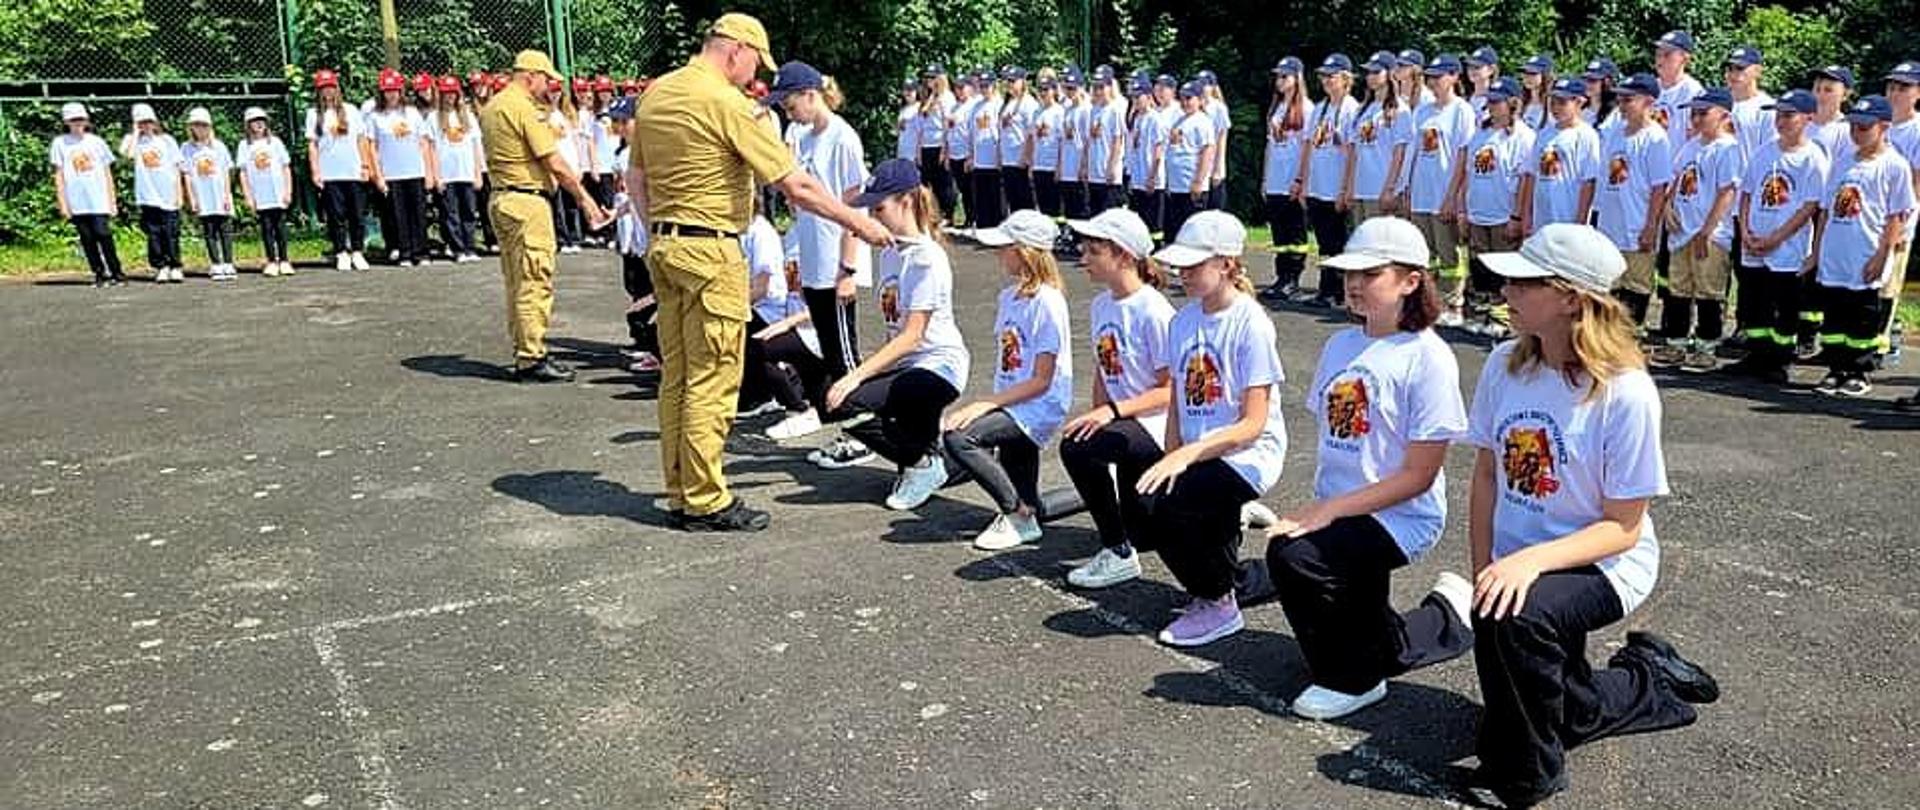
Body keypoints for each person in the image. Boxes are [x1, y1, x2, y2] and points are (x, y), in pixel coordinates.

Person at [1467, 222, 1718, 809]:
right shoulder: (1505, 363)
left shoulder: (1624, 391)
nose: (1506, 293)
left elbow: (1623, 527)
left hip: (1606, 561)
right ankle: (1649, 677)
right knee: (1564, 704)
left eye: (1525, 284)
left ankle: (1529, 777)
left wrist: (1524, 565)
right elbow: (1484, 474)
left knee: (1518, 621)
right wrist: (1486, 566)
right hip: (1527, 559)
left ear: (1571, 299)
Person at [627, 14, 889, 531]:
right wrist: (858, 220)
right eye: (755, 65)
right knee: (711, 377)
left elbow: (636, 178)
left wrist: (659, 231)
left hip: (666, 247)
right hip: (710, 253)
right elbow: (798, 187)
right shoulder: (725, 103)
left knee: (677, 378)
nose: (754, 78)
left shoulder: (657, 95)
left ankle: (682, 489)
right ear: (736, 50)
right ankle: (705, 500)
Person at [1264, 216, 1473, 720]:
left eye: (1370, 274)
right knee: (1373, 632)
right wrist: (1328, 507)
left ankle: (1355, 679)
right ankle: (1445, 620)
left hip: (1399, 514)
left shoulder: (1428, 358)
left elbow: (1419, 476)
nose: (1354, 284)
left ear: (1411, 280)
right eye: (1349, 273)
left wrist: (1330, 511)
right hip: (1344, 507)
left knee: (1297, 558)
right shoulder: (1341, 345)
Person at [1138, 211, 1288, 647]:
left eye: (1194, 265)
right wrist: (1172, 454)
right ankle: (1235, 578)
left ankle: (1219, 601)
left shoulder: (1251, 323)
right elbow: (1178, 402)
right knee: (1153, 500)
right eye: (1180, 265)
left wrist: (1186, 458)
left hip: (1247, 452)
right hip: (1203, 450)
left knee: (1169, 506)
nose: (1182, 273)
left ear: (1226, 264)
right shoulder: (1183, 321)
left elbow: (1253, 423)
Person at [816, 159, 970, 507]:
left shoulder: (925, 259)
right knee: (841, 402)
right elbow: (894, 331)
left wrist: (855, 377)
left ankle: (921, 463)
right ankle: (929, 457)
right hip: (909, 364)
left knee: (847, 399)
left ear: (907, 201)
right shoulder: (891, 253)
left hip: (937, 366)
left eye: (879, 207)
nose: (873, 216)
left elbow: (913, 335)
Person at [942, 210, 1073, 549]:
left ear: (1025, 251)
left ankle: (1017, 513)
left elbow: (1043, 380)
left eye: (1005, 247)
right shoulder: (1008, 298)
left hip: (1037, 403)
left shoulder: (1048, 302)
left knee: (960, 438)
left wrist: (987, 403)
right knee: (1030, 493)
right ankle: (1030, 507)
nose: (998, 253)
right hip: (1015, 399)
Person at [1060, 208, 1174, 588]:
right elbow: (1105, 370)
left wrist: (1111, 413)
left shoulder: (1153, 310)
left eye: (1094, 250)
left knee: (1079, 449)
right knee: (1080, 442)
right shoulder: (1101, 306)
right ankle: (1124, 541)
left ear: (1124, 256)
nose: (1083, 258)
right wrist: (1097, 414)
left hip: (1156, 427)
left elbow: (1169, 391)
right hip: (1126, 423)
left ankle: (1119, 551)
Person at [480, 49, 609, 384]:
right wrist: (586, 201)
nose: (548, 86)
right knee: (534, 281)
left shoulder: (493, 106)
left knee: (516, 281)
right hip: (527, 203)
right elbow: (554, 161)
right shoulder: (523, 109)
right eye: (546, 78)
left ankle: (525, 347)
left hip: (501, 199)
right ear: (530, 75)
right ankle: (532, 358)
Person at [769, 61, 872, 429]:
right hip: (814, 262)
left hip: (835, 264)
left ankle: (862, 428)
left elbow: (854, 207)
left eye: (790, 103)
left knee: (846, 356)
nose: (786, 110)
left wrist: (849, 270)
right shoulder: (804, 136)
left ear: (811, 95)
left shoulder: (842, 138)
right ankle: (844, 422)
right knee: (830, 352)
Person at [1812, 95, 1914, 398]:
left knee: (1862, 316)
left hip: (1866, 251)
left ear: (1883, 127)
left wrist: (1882, 255)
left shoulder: (1894, 165)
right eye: (1853, 126)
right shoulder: (1843, 161)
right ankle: (1836, 368)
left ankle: (1858, 370)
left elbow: (1897, 214)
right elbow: (1827, 210)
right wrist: (1817, 252)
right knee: (1834, 314)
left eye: (1864, 128)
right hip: (1836, 252)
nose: (1856, 133)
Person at [1727, 89, 1829, 384]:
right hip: (1754, 240)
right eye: (1778, 115)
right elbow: (1747, 192)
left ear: (1808, 118)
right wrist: (1744, 230)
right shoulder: (1764, 151)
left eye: (1788, 115)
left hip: (1786, 246)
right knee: (1753, 301)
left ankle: (1779, 359)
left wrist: (1777, 237)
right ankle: (1756, 354)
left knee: (1783, 305)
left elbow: (1810, 206)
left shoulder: (1812, 158)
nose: (1780, 121)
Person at [1651, 88, 1743, 370]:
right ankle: (1676, 343)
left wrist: (1707, 229)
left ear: (1724, 115)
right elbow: (1675, 178)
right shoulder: (1691, 146)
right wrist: (1667, 206)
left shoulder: (1727, 148)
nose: (1697, 118)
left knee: (1708, 289)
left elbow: (1727, 192)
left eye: (1704, 113)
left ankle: (1707, 346)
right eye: (1694, 113)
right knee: (1679, 288)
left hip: (1709, 233)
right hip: (1682, 231)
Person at [1452, 78, 1536, 336]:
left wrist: (1517, 216)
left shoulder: (1524, 136)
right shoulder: (1481, 133)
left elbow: (1525, 180)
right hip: (1478, 210)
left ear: (1512, 103)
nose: (1491, 106)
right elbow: (1468, 173)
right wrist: (1463, 209)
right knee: (1481, 267)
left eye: (1497, 101)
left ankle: (1504, 319)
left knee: (1504, 267)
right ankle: (1484, 313)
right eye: (1489, 101)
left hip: (1503, 212)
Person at [1596, 74, 1675, 330]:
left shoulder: (1655, 138)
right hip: (1611, 221)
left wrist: (1651, 226)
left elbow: (1659, 186)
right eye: (1620, 98)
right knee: (1611, 281)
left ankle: (1631, 331)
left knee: (1636, 283)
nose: (1622, 104)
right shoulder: (1615, 133)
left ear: (1648, 102)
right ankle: (1609, 331)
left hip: (1636, 220)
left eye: (1629, 99)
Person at [1402, 54, 1477, 324]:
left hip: (1444, 191)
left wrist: (1453, 197)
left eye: (1439, 76)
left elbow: (1462, 156)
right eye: (1430, 77)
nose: (1434, 82)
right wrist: (1407, 187)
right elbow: (1413, 152)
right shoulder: (1423, 110)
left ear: (1454, 77)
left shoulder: (1461, 111)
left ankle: (1453, 304)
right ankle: (1428, 302)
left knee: (1450, 255)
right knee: (1427, 254)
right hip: (1422, 190)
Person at [739, 214, 822, 427]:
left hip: (812, 327)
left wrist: (786, 323)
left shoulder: (822, 236)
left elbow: (828, 305)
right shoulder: (794, 232)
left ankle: (796, 406)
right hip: (790, 318)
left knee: (758, 347)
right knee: (754, 344)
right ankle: (765, 395)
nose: (788, 201)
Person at [1296, 54, 1359, 307]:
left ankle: (1339, 290)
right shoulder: (1321, 109)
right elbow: (1310, 146)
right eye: (1323, 76)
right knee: (1323, 240)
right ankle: (1326, 287)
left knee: (1338, 239)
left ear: (1345, 78)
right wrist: (1304, 181)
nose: (1326, 81)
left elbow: (1351, 152)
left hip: (1336, 184)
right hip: (1318, 184)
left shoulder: (1351, 109)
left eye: (1331, 76)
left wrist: (1345, 187)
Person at [606, 96, 660, 374]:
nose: (618, 127)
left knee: (652, 290)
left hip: (645, 228)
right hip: (630, 229)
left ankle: (654, 345)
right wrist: (615, 215)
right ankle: (644, 340)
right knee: (635, 286)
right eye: (615, 121)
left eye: (623, 121)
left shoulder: (645, 151)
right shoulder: (621, 152)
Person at [369, 69, 438, 267]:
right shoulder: (376, 116)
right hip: (392, 173)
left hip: (415, 171)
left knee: (418, 213)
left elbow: (424, 143)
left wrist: (429, 172)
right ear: (381, 92)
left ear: (401, 91)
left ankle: (422, 252)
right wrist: (378, 176)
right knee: (397, 215)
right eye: (387, 90)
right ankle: (405, 252)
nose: (391, 94)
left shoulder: (412, 113)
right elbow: (372, 147)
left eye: (395, 90)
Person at [50, 102, 124, 287]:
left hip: (98, 199)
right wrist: (63, 202)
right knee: (87, 238)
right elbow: (58, 175)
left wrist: (112, 200)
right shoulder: (60, 143)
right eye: (74, 120)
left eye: (81, 119)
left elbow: (107, 172)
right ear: (66, 122)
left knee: (103, 233)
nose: (78, 123)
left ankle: (116, 272)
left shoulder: (96, 142)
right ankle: (99, 273)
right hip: (77, 200)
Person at [307, 68, 374, 272]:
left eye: (330, 87)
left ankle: (357, 251)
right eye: (323, 89)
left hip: (353, 171)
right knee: (335, 215)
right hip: (330, 174)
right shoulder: (313, 114)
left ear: (337, 89)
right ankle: (341, 252)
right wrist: (316, 171)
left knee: (357, 214)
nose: (327, 92)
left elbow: (361, 140)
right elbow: (312, 145)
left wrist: (365, 165)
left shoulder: (351, 110)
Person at [1519, 77, 1601, 237]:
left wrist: (1581, 222)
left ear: (1580, 102)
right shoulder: (1544, 134)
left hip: (1567, 218)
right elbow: (1531, 176)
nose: (1556, 107)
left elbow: (1589, 182)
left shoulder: (1586, 135)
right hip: (1541, 220)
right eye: (1553, 102)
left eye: (1562, 103)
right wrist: (1526, 216)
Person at [1260, 56, 1312, 300]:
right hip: (1275, 179)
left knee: (1295, 233)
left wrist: (1300, 179)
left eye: (1285, 76)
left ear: (1297, 78)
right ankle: (1281, 277)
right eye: (1278, 77)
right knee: (1279, 234)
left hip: (1292, 178)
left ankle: (1293, 278)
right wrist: (1265, 178)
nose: (1279, 81)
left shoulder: (1307, 109)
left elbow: (1306, 149)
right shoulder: (1277, 108)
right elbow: (1270, 146)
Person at [1343, 52, 1412, 225]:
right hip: (1360, 189)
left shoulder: (1400, 110)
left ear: (1390, 74)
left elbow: (1399, 154)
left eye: (1376, 72)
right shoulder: (1362, 110)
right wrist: (1349, 187)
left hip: (1380, 189)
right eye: (1368, 73)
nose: (1370, 77)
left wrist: (1390, 189)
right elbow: (1354, 153)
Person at [122, 103, 185, 283]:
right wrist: (135, 132)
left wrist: (178, 193)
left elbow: (176, 167)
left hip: (168, 193)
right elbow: (128, 155)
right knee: (154, 232)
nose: (146, 125)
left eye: (149, 121)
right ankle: (161, 265)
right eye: (141, 122)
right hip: (148, 195)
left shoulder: (167, 140)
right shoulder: (133, 141)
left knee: (171, 231)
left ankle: (175, 265)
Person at [429, 75, 485, 264]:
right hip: (447, 174)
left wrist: (478, 172)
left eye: (453, 93)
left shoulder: (467, 116)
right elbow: (432, 148)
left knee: (469, 211)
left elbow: (475, 146)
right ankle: (457, 248)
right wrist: (437, 176)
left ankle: (470, 247)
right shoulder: (433, 117)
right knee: (450, 212)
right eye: (446, 93)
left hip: (466, 172)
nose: (450, 97)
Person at [180, 107, 236, 281]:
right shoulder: (186, 148)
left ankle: (228, 262)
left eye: (203, 125)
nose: (200, 129)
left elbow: (226, 172)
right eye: (196, 125)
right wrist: (192, 198)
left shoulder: (219, 146)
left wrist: (227, 195)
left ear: (209, 127)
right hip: (202, 195)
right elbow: (187, 174)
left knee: (225, 229)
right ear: (191, 127)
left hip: (219, 193)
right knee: (209, 229)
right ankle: (216, 263)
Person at [238, 107, 294, 277]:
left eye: (262, 120)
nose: (259, 124)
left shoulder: (275, 142)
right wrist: (248, 196)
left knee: (280, 227)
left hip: (277, 192)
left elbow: (285, 167)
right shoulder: (244, 145)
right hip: (260, 195)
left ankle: (284, 260)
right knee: (266, 227)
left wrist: (288, 191)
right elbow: (243, 172)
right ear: (248, 125)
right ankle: (271, 261)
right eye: (255, 121)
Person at [1162, 80, 1220, 245]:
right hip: (1176, 185)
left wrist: (1198, 181)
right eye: (1183, 98)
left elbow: (1207, 152)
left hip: (1191, 185)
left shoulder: (1203, 121)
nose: (1185, 102)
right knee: (1177, 227)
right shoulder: (1179, 121)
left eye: (1190, 98)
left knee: (1193, 229)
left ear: (1200, 100)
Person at [543, 80, 588, 254]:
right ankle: (562, 238)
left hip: (570, 165)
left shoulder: (568, 114)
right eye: (551, 92)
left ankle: (575, 237)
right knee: (558, 205)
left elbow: (575, 143)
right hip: (554, 166)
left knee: (572, 203)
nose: (554, 95)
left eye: (557, 91)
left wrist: (579, 166)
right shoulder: (542, 115)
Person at [1125, 76, 1167, 236]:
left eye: (1138, 96)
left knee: (1153, 222)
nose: (1135, 100)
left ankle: (1155, 251)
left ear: (1149, 97)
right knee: (1140, 220)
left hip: (1151, 179)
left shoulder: (1155, 119)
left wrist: (1152, 177)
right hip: (1138, 177)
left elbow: (1158, 151)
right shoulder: (1137, 119)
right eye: (1133, 97)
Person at [916, 66, 958, 220]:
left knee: (943, 182)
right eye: (927, 78)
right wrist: (919, 149)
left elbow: (947, 126)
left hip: (939, 144)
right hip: (926, 145)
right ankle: (932, 214)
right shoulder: (929, 97)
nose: (929, 81)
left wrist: (944, 150)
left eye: (933, 78)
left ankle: (948, 214)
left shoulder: (947, 97)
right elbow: (922, 126)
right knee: (927, 182)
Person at [1086, 67, 1128, 215]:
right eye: (1095, 87)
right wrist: (1086, 165)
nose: (1098, 91)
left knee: (1109, 216)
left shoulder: (1115, 110)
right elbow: (1089, 141)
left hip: (1108, 174)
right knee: (1095, 214)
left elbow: (1117, 140)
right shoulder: (1093, 110)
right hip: (1094, 172)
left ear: (1110, 87)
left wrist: (1111, 167)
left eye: (1101, 87)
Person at [968, 70, 1007, 229]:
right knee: (981, 194)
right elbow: (972, 133)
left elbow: (1001, 133)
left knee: (996, 195)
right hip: (979, 157)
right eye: (981, 86)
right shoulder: (976, 106)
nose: (984, 89)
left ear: (994, 85)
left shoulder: (1000, 104)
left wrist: (999, 156)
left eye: (987, 86)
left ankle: (997, 224)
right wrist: (971, 155)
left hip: (993, 156)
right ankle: (983, 224)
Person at [998, 67, 1039, 213]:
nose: (1009, 84)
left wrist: (1027, 157)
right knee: (1013, 202)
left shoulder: (1029, 104)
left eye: (1012, 81)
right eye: (1007, 81)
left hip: (1021, 160)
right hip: (1008, 159)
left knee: (1025, 203)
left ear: (1022, 82)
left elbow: (1031, 134)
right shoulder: (1008, 103)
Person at [942, 72, 978, 226]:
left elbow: (972, 133)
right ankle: (968, 218)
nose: (959, 90)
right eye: (957, 87)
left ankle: (974, 218)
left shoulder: (973, 106)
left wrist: (971, 155)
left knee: (971, 189)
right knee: (963, 189)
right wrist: (948, 153)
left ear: (970, 88)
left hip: (966, 153)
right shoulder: (954, 107)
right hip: (955, 153)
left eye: (962, 87)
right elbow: (949, 132)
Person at [1029, 77, 1066, 219]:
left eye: (1046, 89)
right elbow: (1033, 139)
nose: (1043, 93)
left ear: (1054, 90)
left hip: (1052, 165)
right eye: (1040, 89)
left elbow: (1062, 141)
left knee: (1054, 206)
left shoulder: (1059, 112)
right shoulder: (1037, 112)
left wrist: (1059, 166)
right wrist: (1032, 163)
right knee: (1042, 205)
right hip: (1039, 164)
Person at [1057, 69, 1091, 221]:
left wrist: (1084, 165)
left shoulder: (1086, 110)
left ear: (1081, 87)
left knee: (1081, 206)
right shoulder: (1067, 110)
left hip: (1078, 166)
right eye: (1066, 88)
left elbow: (1087, 141)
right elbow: (1063, 140)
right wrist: (1059, 165)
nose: (1069, 92)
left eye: (1072, 88)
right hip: (1067, 165)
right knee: (1069, 206)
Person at [1200, 70, 1232, 211]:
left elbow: (1222, 138)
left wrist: (1218, 168)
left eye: (1205, 85)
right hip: (1198, 164)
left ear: (1213, 87)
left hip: (1213, 163)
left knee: (1215, 208)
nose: (1202, 88)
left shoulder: (1219, 108)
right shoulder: (1194, 106)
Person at [1518, 55, 1556, 132]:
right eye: (1525, 72)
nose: (1527, 77)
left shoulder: (1553, 102)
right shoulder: (1520, 101)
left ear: (1545, 75)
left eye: (1533, 73)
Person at [1465, 45, 1501, 115]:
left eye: (1477, 67)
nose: (1472, 70)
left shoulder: (1496, 100)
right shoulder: (1466, 100)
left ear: (1491, 69)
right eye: (1470, 66)